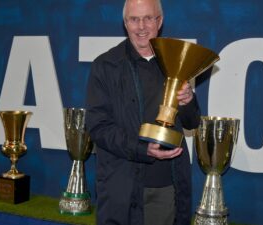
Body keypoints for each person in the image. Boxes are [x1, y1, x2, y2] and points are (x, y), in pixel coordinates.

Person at [85, 0, 201, 224]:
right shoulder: (105, 65)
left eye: (148, 18)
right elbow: (98, 127)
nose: (141, 26)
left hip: (167, 186)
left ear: (160, 21)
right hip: (120, 188)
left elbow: (192, 122)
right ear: (125, 23)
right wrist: (142, 149)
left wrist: (188, 101)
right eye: (134, 19)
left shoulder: (176, 60)